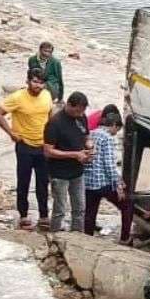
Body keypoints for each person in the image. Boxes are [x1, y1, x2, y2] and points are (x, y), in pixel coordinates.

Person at [0, 68, 53, 231]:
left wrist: (52, 138)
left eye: (41, 83)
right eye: (35, 81)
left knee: (43, 182)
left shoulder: (47, 96)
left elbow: (50, 115)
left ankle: (43, 215)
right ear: (27, 81)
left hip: (42, 146)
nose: (38, 86)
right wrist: (11, 132)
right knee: (23, 182)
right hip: (25, 146)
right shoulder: (17, 97)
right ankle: (24, 214)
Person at [43, 92, 92, 232]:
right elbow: (48, 151)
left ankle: (77, 239)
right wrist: (74, 154)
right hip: (59, 173)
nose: (80, 114)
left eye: (82, 111)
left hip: (78, 171)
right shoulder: (55, 123)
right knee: (60, 210)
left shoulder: (82, 118)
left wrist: (89, 146)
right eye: (77, 111)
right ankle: (55, 238)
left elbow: (87, 136)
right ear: (68, 105)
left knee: (80, 209)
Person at [82, 106, 132, 242]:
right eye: (117, 129)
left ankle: (87, 239)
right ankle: (125, 238)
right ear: (114, 125)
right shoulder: (108, 138)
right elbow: (109, 165)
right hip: (102, 183)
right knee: (126, 205)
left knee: (90, 212)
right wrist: (118, 186)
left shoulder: (91, 133)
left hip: (88, 182)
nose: (116, 133)